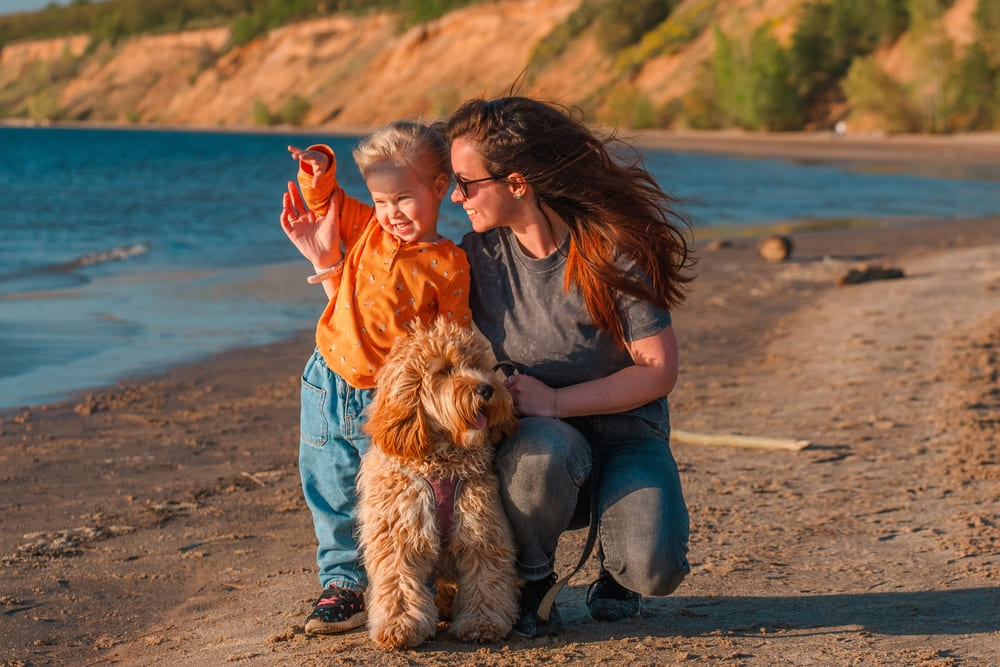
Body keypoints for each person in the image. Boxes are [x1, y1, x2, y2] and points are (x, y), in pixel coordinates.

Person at [445, 96, 696, 638]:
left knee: (656, 569)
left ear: (516, 184)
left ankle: (618, 570)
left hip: (628, 432)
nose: (455, 195)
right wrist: (326, 263)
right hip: (542, 440)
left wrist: (557, 401)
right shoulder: (475, 257)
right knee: (540, 456)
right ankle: (533, 581)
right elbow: (401, 284)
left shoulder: (611, 250)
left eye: (466, 183)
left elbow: (657, 371)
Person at [279, 121, 472, 635]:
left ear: (439, 188)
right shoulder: (368, 227)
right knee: (329, 484)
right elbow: (326, 202)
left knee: (400, 493)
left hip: (394, 398)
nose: (392, 213)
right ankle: (342, 583)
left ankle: (413, 584)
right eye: (381, 200)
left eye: (403, 198)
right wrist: (316, 165)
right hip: (327, 378)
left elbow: (451, 340)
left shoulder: (449, 262)